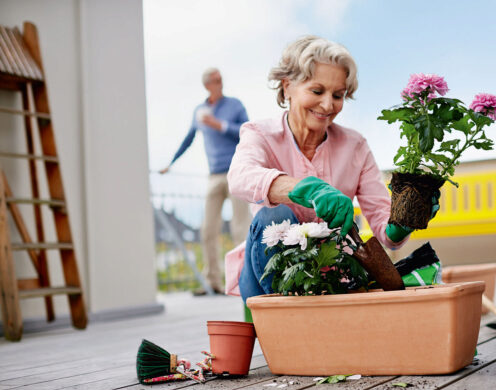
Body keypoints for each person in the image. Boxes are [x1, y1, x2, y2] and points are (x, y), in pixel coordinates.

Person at [225, 36, 434, 302]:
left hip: (335, 277)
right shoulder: (260, 134)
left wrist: (405, 219)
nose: (327, 105)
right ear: (287, 87)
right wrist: (305, 188)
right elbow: (240, 177)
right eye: (317, 91)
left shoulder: (355, 146)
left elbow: (385, 227)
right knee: (273, 216)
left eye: (338, 95)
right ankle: (289, 326)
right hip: (267, 276)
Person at [161, 67, 251, 294]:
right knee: (208, 230)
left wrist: (219, 125)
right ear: (206, 85)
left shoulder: (235, 105)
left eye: (221, 78)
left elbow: (247, 131)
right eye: (214, 79)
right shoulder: (199, 112)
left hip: (236, 172)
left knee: (240, 227)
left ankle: (246, 279)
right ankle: (212, 281)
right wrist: (171, 163)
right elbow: (188, 139)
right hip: (214, 176)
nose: (220, 81)